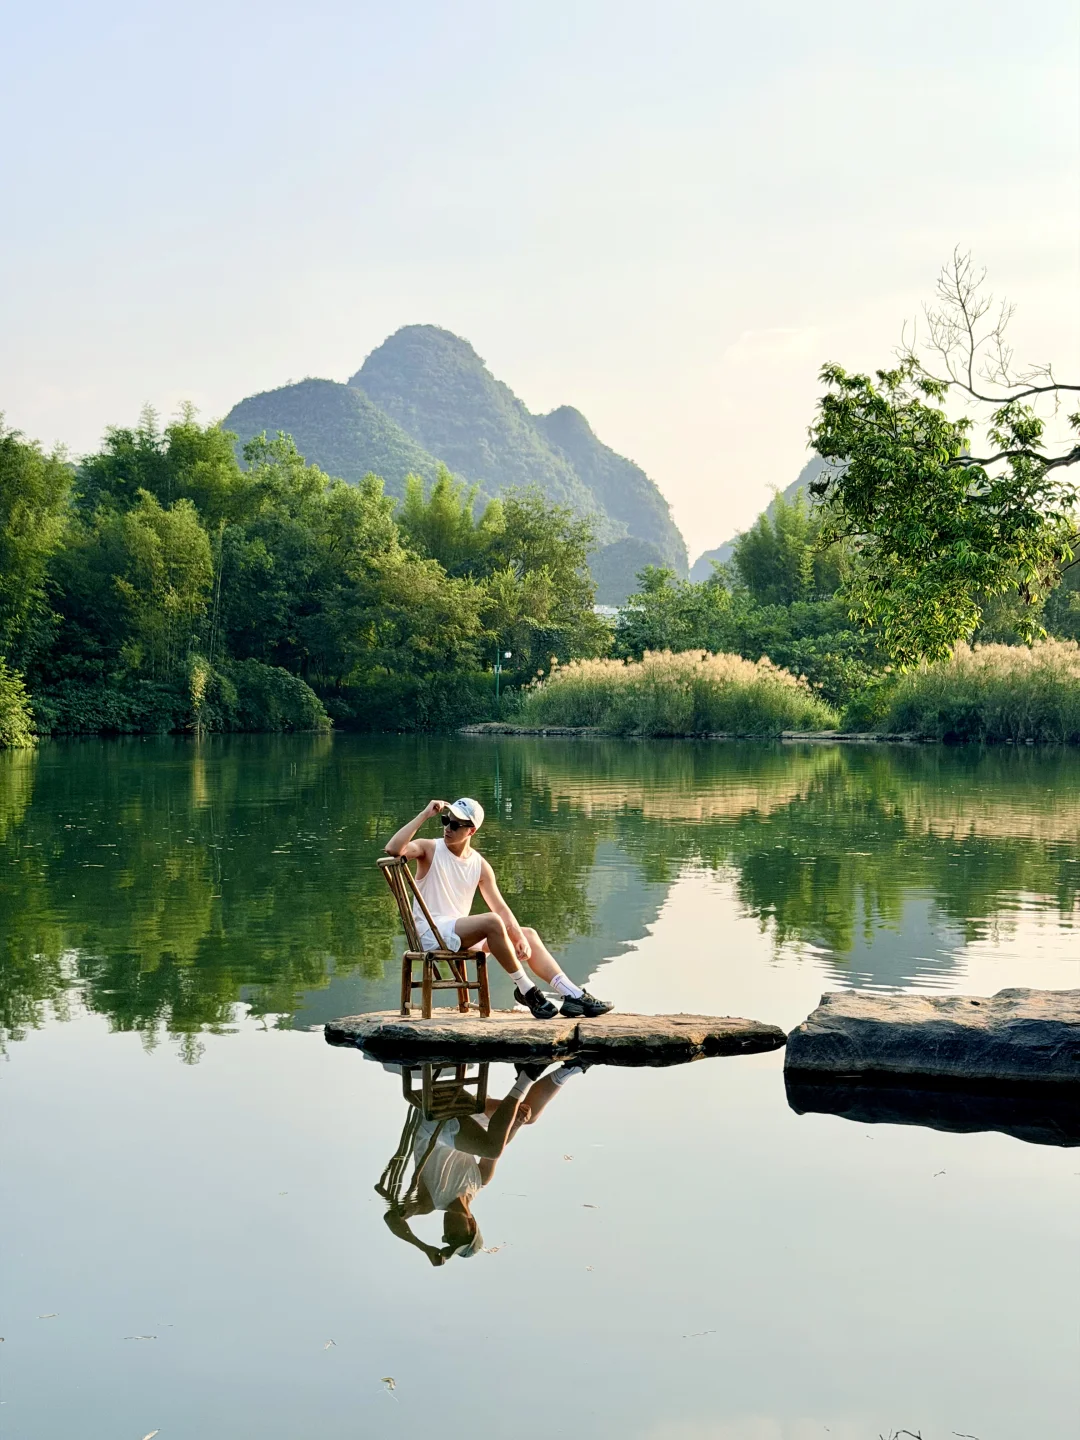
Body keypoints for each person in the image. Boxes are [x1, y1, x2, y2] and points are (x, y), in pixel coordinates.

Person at [383, 796, 614, 1020]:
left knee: (528, 935)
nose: (448, 828)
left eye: (455, 824)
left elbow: (501, 908)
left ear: (471, 831)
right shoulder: (429, 848)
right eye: (446, 821)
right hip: (430, 932)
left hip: (458, 933)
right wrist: (425, 814)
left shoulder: (479, 865)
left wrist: (517, 937)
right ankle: (527, 991)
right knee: (492, 921)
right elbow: (393, 849)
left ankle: (573, 994)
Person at [380, 1060, 591, 1265]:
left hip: (435, 1130)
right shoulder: (479, 1182)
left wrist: (424, 1248)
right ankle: (573, 1067)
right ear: (472, 1224)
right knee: (528, 1115)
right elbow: (500, 1147)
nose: (448, 1231)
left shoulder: (427, 1204)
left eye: (447, 1236)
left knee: (491, 1145)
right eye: (456, 1235)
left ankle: (526, 1076)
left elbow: (391, 1219)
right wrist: (517, 1124)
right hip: (462, 1126)